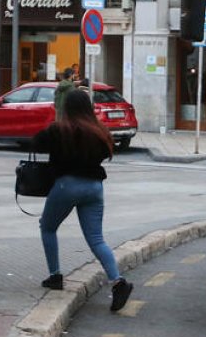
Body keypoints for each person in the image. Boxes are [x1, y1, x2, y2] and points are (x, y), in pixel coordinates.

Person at [32, 89, 133, 312]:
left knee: (47, 227)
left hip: (67, 185)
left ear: (66, 108)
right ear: (88, 108)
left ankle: (55, 275)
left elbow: (36, 143)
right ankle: (118, 282)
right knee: (96, 238)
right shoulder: (98, 131)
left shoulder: (60, 129)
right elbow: (106, 154)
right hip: (94, 188)